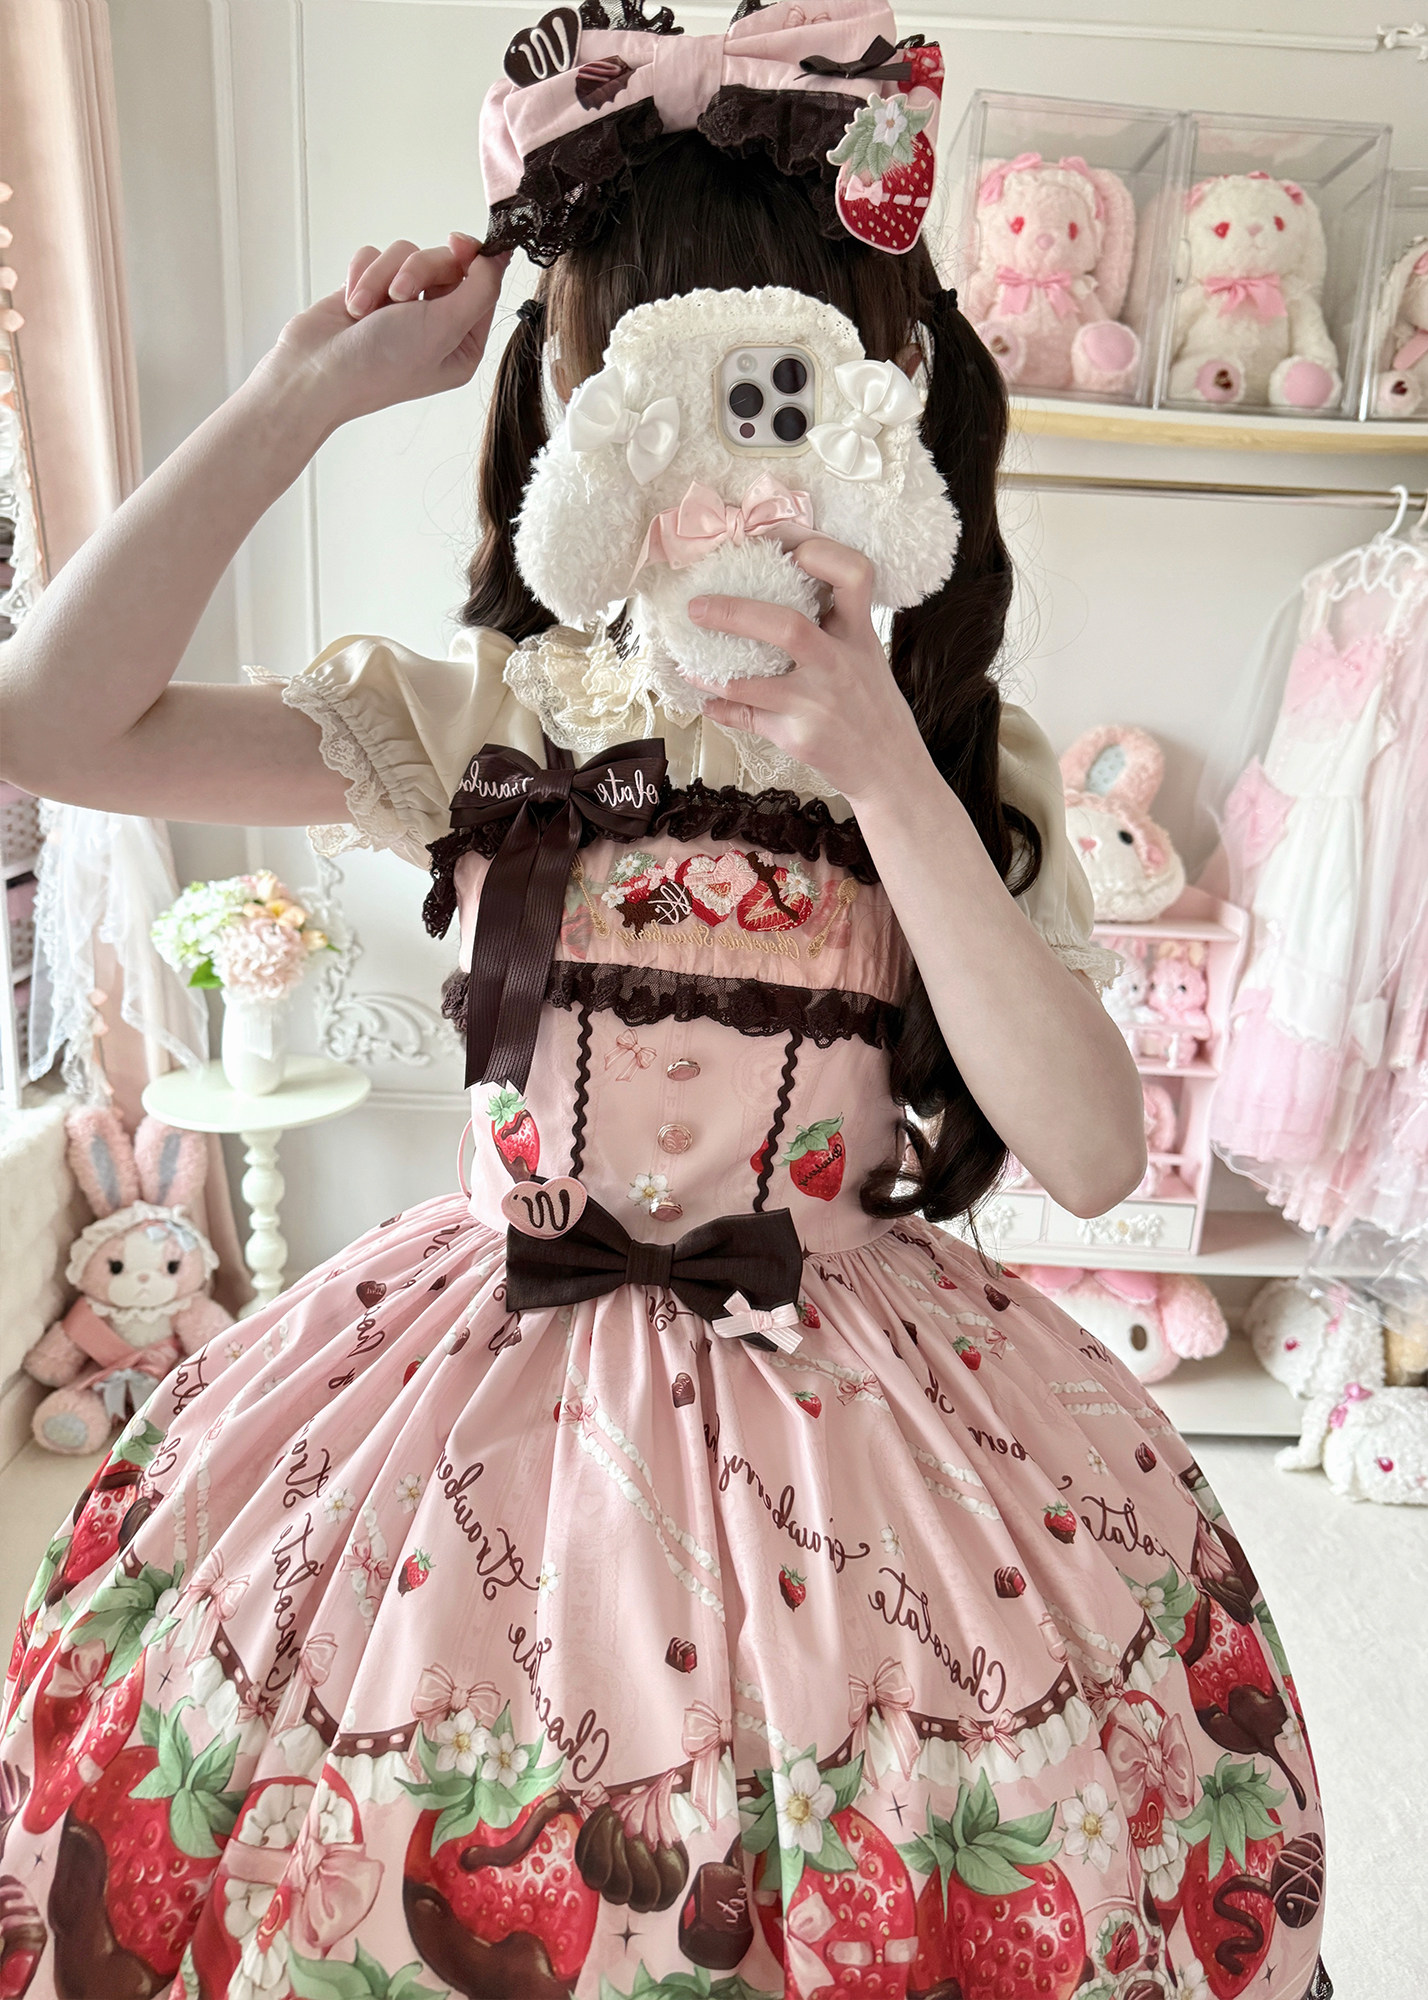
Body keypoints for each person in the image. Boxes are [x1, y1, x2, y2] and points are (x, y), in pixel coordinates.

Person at [0, 6, 1328, 1999]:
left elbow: (1087, 1145)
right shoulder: (477, 720)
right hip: (470, 1389)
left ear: (877, 404)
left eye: (773, 387)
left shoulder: (962, 763)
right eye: (652, 382)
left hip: (863, 1428)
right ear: (577, 409)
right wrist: (302, 392)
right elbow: (48, 723)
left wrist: (887, 768)